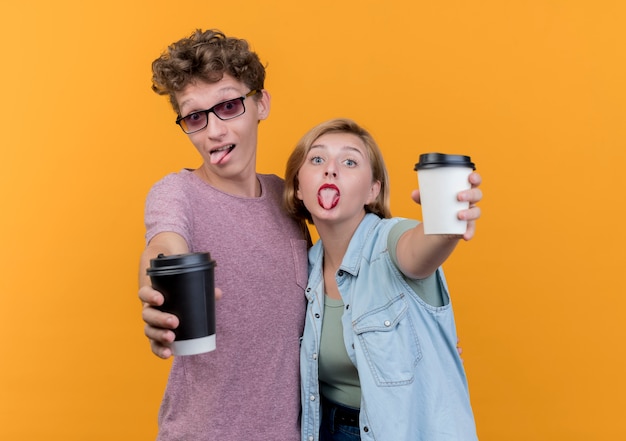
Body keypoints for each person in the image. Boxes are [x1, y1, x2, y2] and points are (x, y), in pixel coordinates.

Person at [137, 29, 309, 440]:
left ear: (260, 104)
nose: (213, 130)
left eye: (229, 106)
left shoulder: (289, 203)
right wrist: (160, 287)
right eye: (195, 116)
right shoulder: (177, 193)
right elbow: (163, 244)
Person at [283, 118, 482, 441]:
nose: (330, 169)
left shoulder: (391, 240)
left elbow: (418, 252)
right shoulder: (303, 267)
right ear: (298, 187)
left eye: (349, 162)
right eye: (317, 159)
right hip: (325, 429)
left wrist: (444, 227)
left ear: (372, 190)